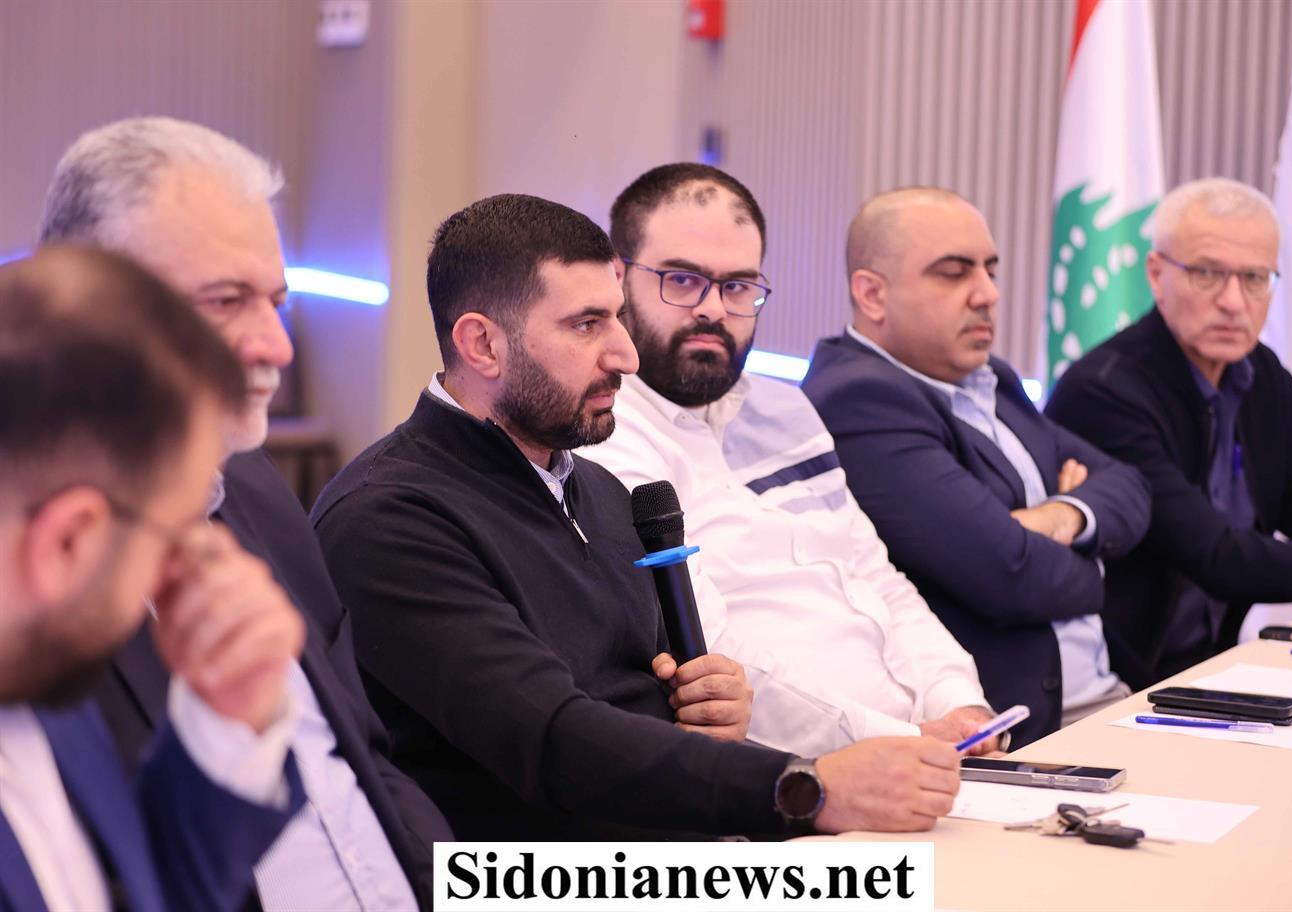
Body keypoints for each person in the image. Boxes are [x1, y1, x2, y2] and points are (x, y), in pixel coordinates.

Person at [312, 193, 965, 841]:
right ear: (482, 344)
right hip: (521, 877)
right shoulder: (389, 518)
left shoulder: (598, 491)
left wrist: (712, 705)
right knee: (910, 882)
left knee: (950, 872)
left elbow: (649, 703)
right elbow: (554, 741)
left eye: (619, 317)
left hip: (672, 847)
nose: (625, 354)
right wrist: (804, 787)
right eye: (586, 324)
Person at [39, 117, 451, 909]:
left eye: (277, 302)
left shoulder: (257, 490)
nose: (276, 346)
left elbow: (365, 758)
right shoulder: (35, 569)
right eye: (226, 301)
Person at [582, 164, 996, 756]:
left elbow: (876, 576)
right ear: (618, 278)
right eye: (682, 280)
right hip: (794, 772)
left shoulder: (785, 409)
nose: (713, 309)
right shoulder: (607, 439)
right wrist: (902, 740)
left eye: (738, 286)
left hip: (921, 748)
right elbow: (711, 657)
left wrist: (959, 704)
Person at [0, 247, 305, 911]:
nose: (197, 565)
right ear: (69, 540)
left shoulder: (37, 664)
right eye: (177, 534)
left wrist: (228, 720)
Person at [800, 188, 1150, 743]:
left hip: (1109, 698)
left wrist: (1059, 517)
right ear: (872, 294)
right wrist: (1101, 552)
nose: (988, 294)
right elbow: (1012, 576)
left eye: (990, 270)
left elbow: (1129, 485)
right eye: (953, 273)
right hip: (1013, 733)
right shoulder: (858, 400)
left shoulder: (992, 379)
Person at [1046, 177, 1292, 686]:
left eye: (1255, 278)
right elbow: (1219, 559)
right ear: (1156, 274)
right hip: (1113, 681)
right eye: (1207, 274)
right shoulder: (1104, 391)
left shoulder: (1262, 375)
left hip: (1211, 667)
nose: (1234, 301)